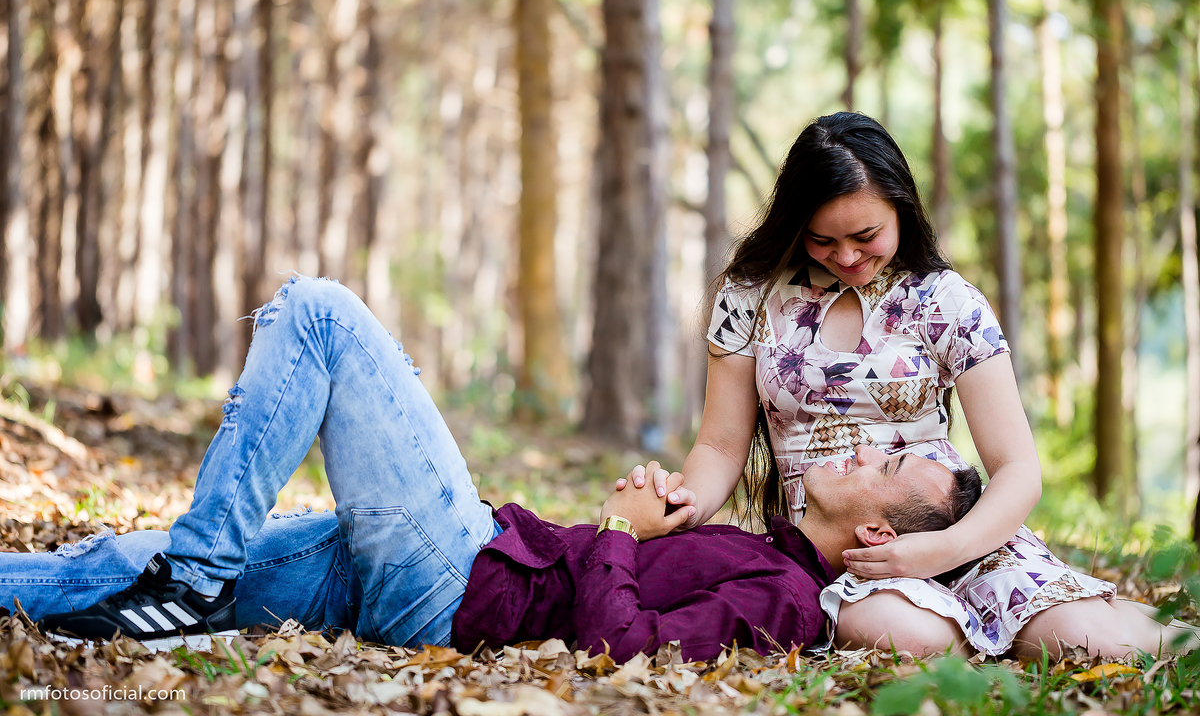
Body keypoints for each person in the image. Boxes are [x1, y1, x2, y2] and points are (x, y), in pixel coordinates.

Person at [1, 275, 981, 662]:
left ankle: (201, 565)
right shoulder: (756, 546)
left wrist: (613, 531)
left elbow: (616, 647)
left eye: (890, 456)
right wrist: (647, 521)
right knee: (105, 562)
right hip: (444, 563)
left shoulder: (790, 601)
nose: (861, 438)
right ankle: (184, 569)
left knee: (320, 313)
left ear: (880, 534)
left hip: (461, 577)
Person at [619, 111, 1196, 660]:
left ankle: (1165, 634)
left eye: (866, 235)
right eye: (822, 240)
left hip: (953, 525)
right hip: (837, 549)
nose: (846, 257)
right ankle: (985, 635)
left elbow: (1018, 467)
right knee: (898, 630)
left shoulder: (945, 301)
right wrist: (685, 504)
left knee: (1085, 638)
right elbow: (720, 446)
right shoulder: (749, 296)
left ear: (902, 207)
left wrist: (946, 548)